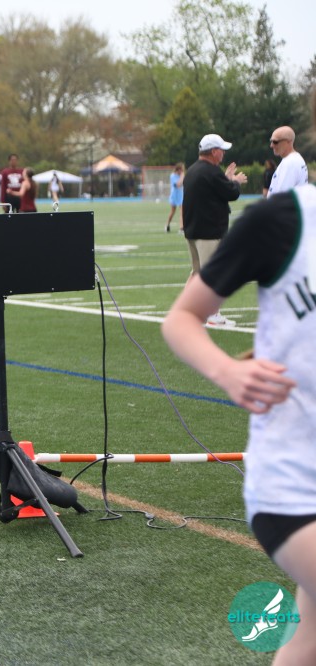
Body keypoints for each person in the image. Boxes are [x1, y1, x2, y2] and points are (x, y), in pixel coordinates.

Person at [161, 93, 316, 665]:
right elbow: (181, 319)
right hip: (293, 486)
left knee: (306, 641)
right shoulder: (284, 221)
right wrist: (229, 371)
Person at [181, 133, 247, 327]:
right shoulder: (211, 171)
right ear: (214, 152)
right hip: (209, 232)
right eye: (222, 150)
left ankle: (185, 310)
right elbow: (231, 193)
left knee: (197, 273)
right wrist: (235, 181)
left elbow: (212, 191)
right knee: (213, 274)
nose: (223, 154)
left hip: (193, 230)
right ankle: (212, 314)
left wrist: (226, 178)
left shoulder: (193, 170)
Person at [267, 126, 309, 198]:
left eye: (275, 142)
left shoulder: (290, 162)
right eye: (271, 141)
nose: (271, 145)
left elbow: (281, 197)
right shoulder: (293, 159)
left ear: (288, 141)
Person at [166, 163, 185, 233]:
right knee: (172, 212)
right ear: (178, 169)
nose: (182, 171)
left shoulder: (182, 176)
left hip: (181, 196)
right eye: (181, 170)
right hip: (174, 196)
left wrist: (182, 177)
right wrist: (182, 177)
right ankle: (167, 225)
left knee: (182, 212)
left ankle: (181, 228)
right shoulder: (172, 176)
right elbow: (178, 185)